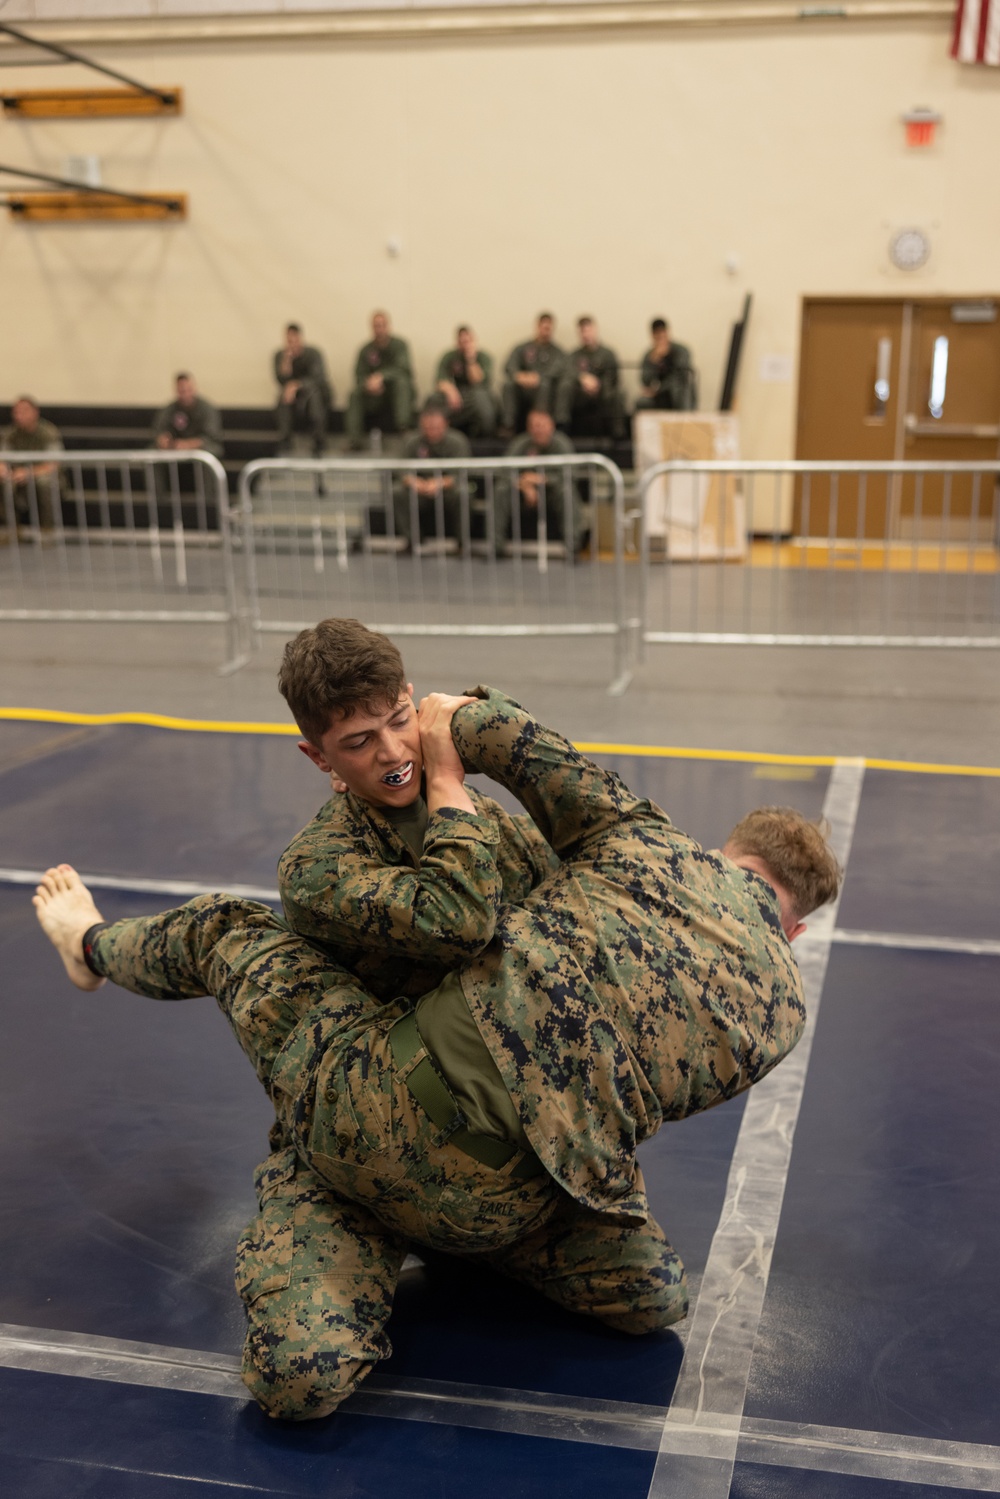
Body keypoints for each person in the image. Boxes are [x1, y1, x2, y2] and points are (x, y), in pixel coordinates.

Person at [34, 678, 839, 1423]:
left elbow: (499, 739)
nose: (391, 750)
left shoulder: (635, 848)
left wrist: (455, 731)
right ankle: (102, 954)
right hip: (467, 1146)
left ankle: (96, 946)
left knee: (225, 932)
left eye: (398, 723)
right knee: (651, 1295)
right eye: (366, 736)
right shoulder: (781, 1013)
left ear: (720, 854)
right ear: (796, 930)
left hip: (407, 1121)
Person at [497, 408, 583, 554]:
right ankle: (495, 547)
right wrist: (525, 485)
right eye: (534, 425)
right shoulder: (521, 443)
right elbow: (504, 472)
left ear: (552, 426)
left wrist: (542, 479)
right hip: (522, 493)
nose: (538, 430)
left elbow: (571, 475)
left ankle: (573, 547)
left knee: (567, 491)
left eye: (542, 425)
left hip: (551, 493)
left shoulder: (562, 444)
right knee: (501, 490)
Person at [391, 402, 473, 552]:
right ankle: (413, 540)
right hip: (419, 489)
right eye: (427, 428)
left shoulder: (457, 441)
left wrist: (439, 483)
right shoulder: (412, 441)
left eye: (436, 427)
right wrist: (413, 482)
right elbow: (400, 467)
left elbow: (462, 472)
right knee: (397, 492)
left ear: (446, 424)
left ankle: (463, 543)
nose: (431, 431)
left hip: (447, 489)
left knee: (464, 492)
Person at [345, 311, 416, 449]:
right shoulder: (365, 350)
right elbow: (359, 375)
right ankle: (354, 440)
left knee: (402, 383)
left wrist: (382, 377)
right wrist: (369, 384)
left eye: (382, 325)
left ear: (388, 326)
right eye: (376, 326)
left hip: (395, 391)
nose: (379, 329)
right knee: (354, 394)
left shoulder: (399, 345)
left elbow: (404, 369)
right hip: (374, 395)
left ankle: (404, 428)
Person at [0, 395, 63, 531]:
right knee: (4, 481)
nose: (19, 415)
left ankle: (47, 529)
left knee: (45, 482)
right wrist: (3, 468)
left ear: (35, 412)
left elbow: (53, 464)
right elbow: (3, 457)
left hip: (42, 475)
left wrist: (28, 473)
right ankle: (12, 529)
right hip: (17, 475)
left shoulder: (48, 432)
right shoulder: (10, 433)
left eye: (24, 411)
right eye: (16, 411)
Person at [557, 317, 625, 439]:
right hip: (581, 395)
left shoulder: (607, 353)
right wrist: (582, 377)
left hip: (603, 393)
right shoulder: (574, 355)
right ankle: (562, 427)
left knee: (618, 394)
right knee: (565, 386)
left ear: (595, 330)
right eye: (582, 331)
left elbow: (614, 376)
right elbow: (567, 371)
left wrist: (598, 384)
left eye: (588, 330)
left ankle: (618, 435)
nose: (586, 334)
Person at [501, 313, 567, 434]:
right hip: (522, 387)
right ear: (537, 326)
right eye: (543, 327)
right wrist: (519, 376)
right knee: (508, 385)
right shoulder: (522, 347)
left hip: (544, 389)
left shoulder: (557, 352)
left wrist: (538, 377)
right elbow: (510, 366)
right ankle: (508, 424)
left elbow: (557, 370)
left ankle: (539, 426)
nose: (545, 331)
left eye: (548, 328)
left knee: (544, 384)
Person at [273, 324, 332, 458]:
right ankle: (285, 438)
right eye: (288, 340)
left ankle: (318, 438)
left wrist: (297, 385)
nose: (291, 344)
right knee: (283, 398)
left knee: (314, 396)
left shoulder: (313, 354)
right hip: (294, 398)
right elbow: (281, 380)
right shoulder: (280, 356)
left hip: (315, 394)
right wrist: (286, 362)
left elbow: (318, 378)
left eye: (294, 340)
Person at [435, 326, 497, 438]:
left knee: (480, 398)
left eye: (468, 341)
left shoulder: (484, 357)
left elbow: (477, 381)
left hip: (479, 395)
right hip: (458, 396)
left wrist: (470, 359)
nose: (465, 344)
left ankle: (485, 435)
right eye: (461, 341)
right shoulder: (449, 356)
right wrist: (451, 391)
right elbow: (440, 381)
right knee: (433, 400)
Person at [151, 373, 224, 460]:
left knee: (211, 452)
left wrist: (188, 444)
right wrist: (163, 439)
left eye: (188, 390)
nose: (185, 394)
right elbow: (160, 430)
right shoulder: (169, 409)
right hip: (175, 450)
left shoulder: (206, 409)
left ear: (194, 388)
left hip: (200, 450)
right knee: (153, 453)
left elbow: (210, 436)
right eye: (182, 391)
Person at [635, 318, 697, 412]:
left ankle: (684, 423)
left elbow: (680, 376)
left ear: (667, 333)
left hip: (676, 392)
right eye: (657, 335)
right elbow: (645, 380)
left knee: (681, 392)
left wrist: (659, 389)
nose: (660, 337)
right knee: (641, 402)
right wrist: (653, 362)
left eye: (662, 333)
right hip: (657, 396)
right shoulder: (649, 355)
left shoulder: (680, 351)